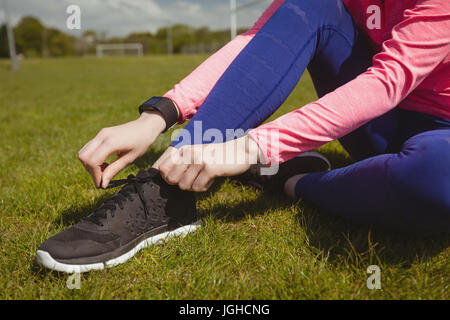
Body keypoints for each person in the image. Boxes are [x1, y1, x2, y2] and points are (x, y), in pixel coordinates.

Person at [36, 0, 449, 273]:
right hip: (382, 127)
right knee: (310, 2)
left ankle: (289, 180)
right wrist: (160, 115)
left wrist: (252, 147)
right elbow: (260, 42)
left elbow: (387, 82)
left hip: (439, 134)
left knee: (435, 182)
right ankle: (167, 190)